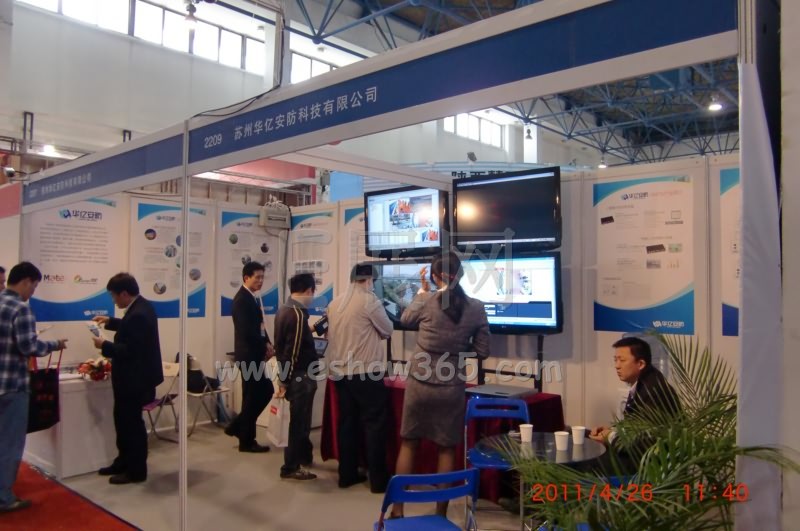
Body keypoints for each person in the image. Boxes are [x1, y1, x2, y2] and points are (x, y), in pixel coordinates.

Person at [391, 251, 490, 518]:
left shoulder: (426, 301)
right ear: (460, 275)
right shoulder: (476, 307)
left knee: (409, 443)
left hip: (419, 384)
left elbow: (405, 320)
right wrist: (456, 350)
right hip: (451, 386)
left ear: (435, 277)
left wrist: (422, 292)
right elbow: (483, 351)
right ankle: (440, 514)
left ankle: (398, 510)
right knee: (446, 448)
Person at [0, 262, 68, 513]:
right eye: (34, 286)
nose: (33, 292)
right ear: (26, 281)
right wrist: (55, 344)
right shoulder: (21, 308)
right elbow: (29, 346)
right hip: (13, 386)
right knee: (9, 443)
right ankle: (4, 498)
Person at [327, 264, 393, 492]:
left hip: (340, 373)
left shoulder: (335, 303)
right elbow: (388, 329)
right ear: (369, 280)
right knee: (375, 424)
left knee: (347, 424)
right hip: (365, 371)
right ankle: (378, 481)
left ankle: (347, 475)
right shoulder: (369, 301)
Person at [92, 273, 163, 485]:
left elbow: (131, 350)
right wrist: (110, 322)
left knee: (132, 426)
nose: (114, 300)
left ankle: (136, 470)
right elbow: (129, 328)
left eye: (114, 296)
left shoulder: (139, 313)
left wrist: (104, 346)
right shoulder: (140, 307)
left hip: (135, 380)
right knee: (122, 422)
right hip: (130, 379)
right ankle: (123, 461)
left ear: (124, 293)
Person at [588, 336, 680, 473]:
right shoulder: (647, 381)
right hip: (637, 456)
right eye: (615, 360)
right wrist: (613, 431)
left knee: (587, 463)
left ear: (641, 364)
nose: (617, 366)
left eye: (622, 360)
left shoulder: (654, 391)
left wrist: (610, 436)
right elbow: (637, 427)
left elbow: (645, 442)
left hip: (649, 466)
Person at [225, 262, 275, 453]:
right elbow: (247, 332)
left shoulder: (251, 298)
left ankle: (242, 432)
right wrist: (264, 346)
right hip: (248, 357)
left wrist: (268, 343)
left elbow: (259, 326)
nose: (261, 281)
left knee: (252, 397)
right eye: (257, 277)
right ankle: (242, 432)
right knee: (262, 392)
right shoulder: (242, 300)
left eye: (262, 277)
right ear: (246, 278)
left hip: (254, 355)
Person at [274, 273, 318, 481]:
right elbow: (291, 352)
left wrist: (283, 378)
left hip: (292, 375)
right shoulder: (298, 315)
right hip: (300, 376)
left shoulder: (283, 309)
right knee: (299, 423)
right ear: (308, 291)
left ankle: (303, 456)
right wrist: (284, 381)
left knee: (298, 420)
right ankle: (291, 466)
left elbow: (282, 347)